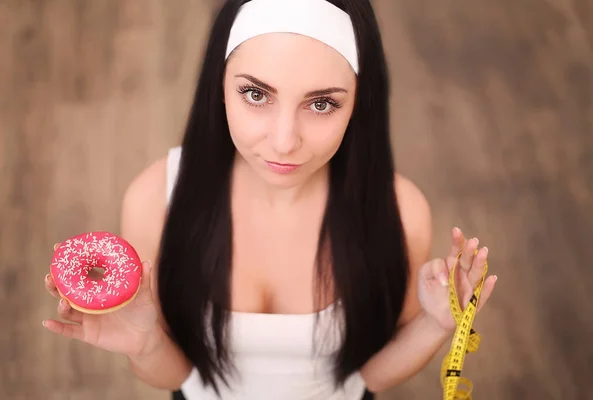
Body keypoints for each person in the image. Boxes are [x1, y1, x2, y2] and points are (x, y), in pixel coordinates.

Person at [43, 0, 497, 399]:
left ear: (360, 101)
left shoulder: (402, 213)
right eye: (256, 94)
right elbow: (179, 376)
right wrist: (144, 344)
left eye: (321, 104)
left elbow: (367, 379)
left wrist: (438, 324)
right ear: (219, 87)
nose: (284, 142)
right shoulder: (152, 201)